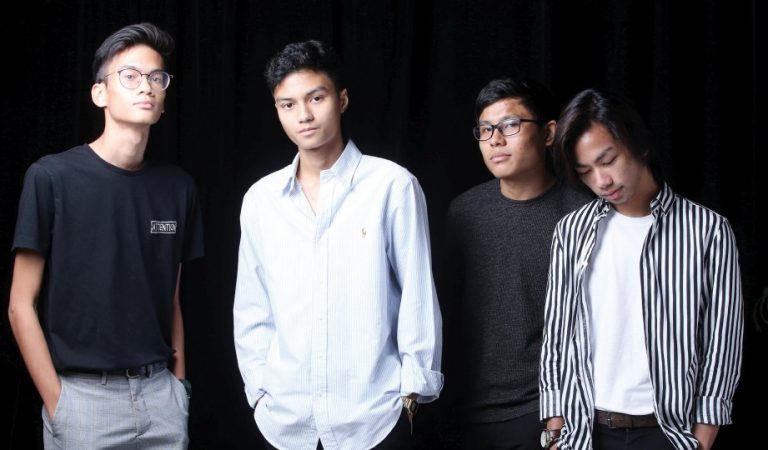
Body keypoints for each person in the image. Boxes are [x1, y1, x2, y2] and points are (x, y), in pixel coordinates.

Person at [232, 40, 443, 450]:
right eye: (288, 104)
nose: (304, 115)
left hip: (374, 418)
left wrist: (411, 397)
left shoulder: (391, 186)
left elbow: (418, 295)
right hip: (284, 421)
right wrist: (258, 391)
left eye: (316, 98)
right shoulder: (261, 200)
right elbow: (252, 308)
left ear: (341, 100)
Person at [8, 22, 203, 449]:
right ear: (100, 93)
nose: (146, 86)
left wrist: (179, 389)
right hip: (82, 402)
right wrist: (59, 403)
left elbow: (171, 299)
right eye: (130, 76)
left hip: (161, 401)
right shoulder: (51, 177)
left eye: (157, 77)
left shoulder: (178, 188)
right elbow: (20, 304)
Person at [539, 88, 743, 450]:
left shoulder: (707, 231)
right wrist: (555, 430)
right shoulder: (571, 232)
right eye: (586, 172)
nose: (601, 181)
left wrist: (702, 438)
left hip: (668, 434)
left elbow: (722, 342)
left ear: (639, 146)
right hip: (587, 432)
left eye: (608, 160)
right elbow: (557, 332)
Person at [442, 77, 591, 449]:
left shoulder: (583, 215)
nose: (495, 140)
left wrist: (561, 415)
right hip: (466, 413)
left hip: (548, 410)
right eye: (485, 129)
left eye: (510, 125)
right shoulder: (463, 213)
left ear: (548, 133)